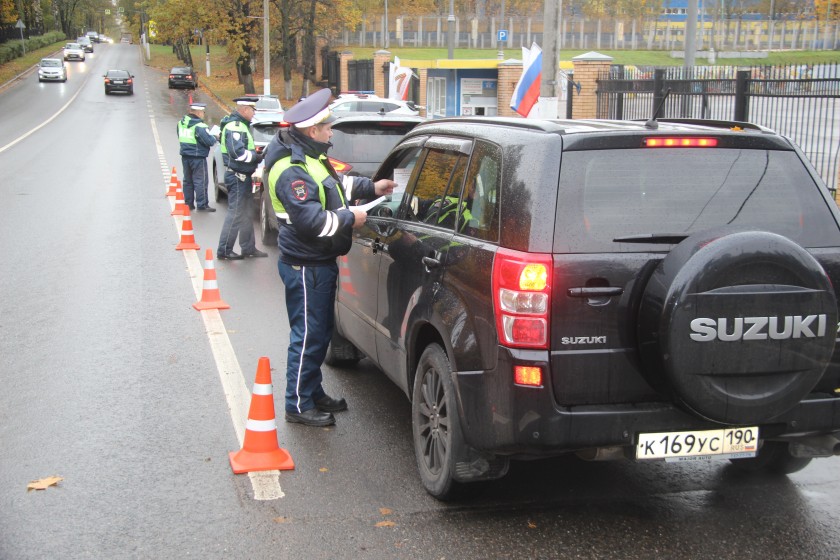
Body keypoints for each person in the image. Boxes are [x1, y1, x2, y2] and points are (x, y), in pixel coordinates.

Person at [263, 89, 396, 427]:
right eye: (327, 126)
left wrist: (372, 187)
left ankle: (313, 391)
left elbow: (337, 187)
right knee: (307, 336)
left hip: (318, 263)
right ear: (312, 131)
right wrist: (352, 218)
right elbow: (312, 222)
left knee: (319, 334)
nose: (331, 131)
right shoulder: (291, 169)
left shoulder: (311, 156)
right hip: (305, 265)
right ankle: (297, 404)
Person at [216, 97, 268, 260]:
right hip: (237, 177)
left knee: (246, 213)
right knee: (237, 213)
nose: (253, 114)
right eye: (252, 110)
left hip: (243, 177)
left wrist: (256, 156)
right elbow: (238, 153)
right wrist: (256, 157)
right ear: (245, 109)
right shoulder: (235, 127)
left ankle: (248, 248)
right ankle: (224, 250)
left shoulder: (242, 126)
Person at [177, 103, 217, 212]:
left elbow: (179, 136)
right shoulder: (200, 126)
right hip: (198, 157)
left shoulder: (181, 123)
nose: (203, 114)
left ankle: (188, 203)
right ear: (199, 112)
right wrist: (215, 136)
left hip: (185, 156)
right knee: (200, 180)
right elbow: (209, 141)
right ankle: (202, 204)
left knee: (188, 180)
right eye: (203, 112)